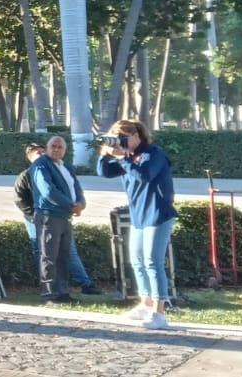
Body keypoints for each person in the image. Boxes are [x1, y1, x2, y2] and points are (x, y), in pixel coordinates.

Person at [98, 118, 177, 329]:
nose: (121, 142)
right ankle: (145, 302)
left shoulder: (153, 153)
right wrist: (105, 154)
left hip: (158, 214)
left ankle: (160, 311)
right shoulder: (128, 157)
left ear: (137, 136)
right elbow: (104, 173)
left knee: (153, 261)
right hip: (139, 216)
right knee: (137, 261)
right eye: (118, 138)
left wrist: (123, 157)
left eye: (124, 138)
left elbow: (143, 175)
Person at [14, 142, 99, 294]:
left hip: (60, 217)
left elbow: (71, 189)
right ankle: (47, 287)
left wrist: (76, 205)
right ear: (29, 157)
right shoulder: (25, 176)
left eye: (42, 151)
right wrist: (33, 214)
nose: (40, 154)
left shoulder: (58, 170)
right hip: (37, 218)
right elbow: (20, 199)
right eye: (36, 153)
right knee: (41, 252)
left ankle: (83, 283)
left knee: (68, 252)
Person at [29, 135, 86, 303]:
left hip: (65, 217)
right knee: (49, 255)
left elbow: (76, 187)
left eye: (60, 147)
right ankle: (49, 293)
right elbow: (48, 191)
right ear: (46, 148)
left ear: (65, 150)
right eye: (53, 146)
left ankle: (62, 292)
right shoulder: (40, 165)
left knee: (63, 256)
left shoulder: (66, 166)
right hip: (49, 215)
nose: (56, 149)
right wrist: (70, 205)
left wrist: (81, 204)